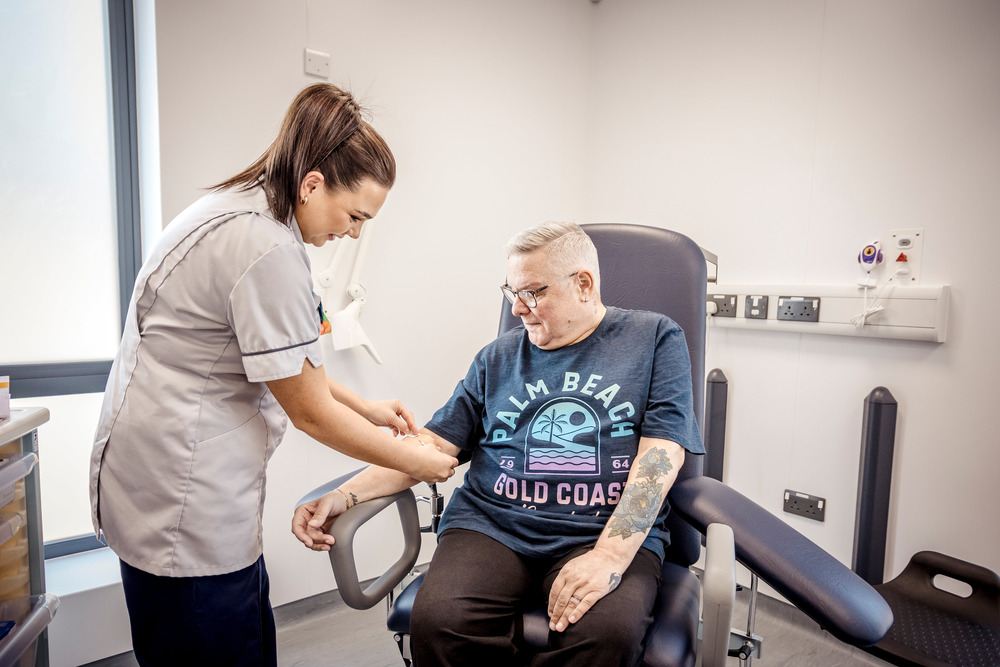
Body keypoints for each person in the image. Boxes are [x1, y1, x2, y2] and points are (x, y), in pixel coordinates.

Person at [89, 83, 458, 666]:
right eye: (355, 214)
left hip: (168, 480)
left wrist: (368, 409)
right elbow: (308, 409)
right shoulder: (265, 248)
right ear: (313, 183)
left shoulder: (241, 210)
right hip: (186, 500)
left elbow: (283, 363)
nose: (356, 232)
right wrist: (416, 462)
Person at [293, 221, 705, 666]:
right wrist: (345, 494)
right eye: (512, 293)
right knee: (440, 622)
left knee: (605, 634)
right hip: (492, 527)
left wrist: (609, 553)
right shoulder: (499, 356)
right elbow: (430, 446)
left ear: (583, 284)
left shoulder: (654, 338)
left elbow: (662, 452)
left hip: (599, 531)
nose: (518, 310)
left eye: (532, 293)